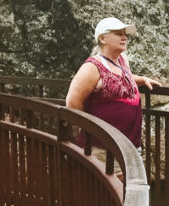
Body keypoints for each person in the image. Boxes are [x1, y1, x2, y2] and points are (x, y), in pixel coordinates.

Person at [66, 16, 161, 149]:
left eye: (125, 34)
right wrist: (94, 128)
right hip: (103, 148)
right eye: (118, 34)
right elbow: (72, 102)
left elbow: (121, 78)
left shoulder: (122, 59)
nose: (124, 38)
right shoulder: (92, 67)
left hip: (128, 144)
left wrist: (141, 79)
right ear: (102, 38)